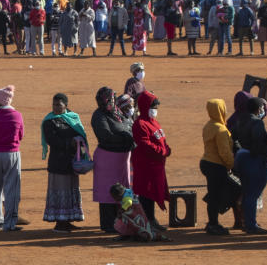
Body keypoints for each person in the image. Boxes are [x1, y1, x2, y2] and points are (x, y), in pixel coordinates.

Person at [42, 92, 87, 233]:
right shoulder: (49, 121)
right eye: (54, 105)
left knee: (70, 191)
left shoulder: (72, 118)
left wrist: (79, 142)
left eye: (59, 105)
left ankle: (67, 221)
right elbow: (52, 141)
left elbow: (81, 134)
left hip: (72, 162)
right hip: (58, 163)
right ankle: (60, 223)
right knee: (61, 192)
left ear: (66, 106)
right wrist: (71, 142)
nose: (55, 108)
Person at [91, 87, 135, 233]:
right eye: (105, 100)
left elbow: (128, 126)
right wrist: (126, 139)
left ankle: (121, 221)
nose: (107, 102)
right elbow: (105, 136)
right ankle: (108, 224)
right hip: (107, 158)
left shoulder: (118, 112)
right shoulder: (99, 116)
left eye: (109, 99)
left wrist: (129, 138)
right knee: (106, 191)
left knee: (122, 190)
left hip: (122, 159)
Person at [0, 85, 24, 232]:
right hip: (11, 153)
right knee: (12, 190)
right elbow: (20, 135)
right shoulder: (17, 115)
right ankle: (10, 223)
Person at [131, 91, 171, 231]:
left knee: (153, 193)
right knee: (146, 194)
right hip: (145, 165)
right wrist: (163, 151)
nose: (155, 110)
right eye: (153, 107)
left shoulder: (154, 122)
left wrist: (166, 148)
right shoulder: (140, 124)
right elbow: (145, 144)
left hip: (156, 165)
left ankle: (152, 219)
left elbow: (161, 139)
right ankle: (148, 220)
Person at [200, 99, 240, 235]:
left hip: (206, 162)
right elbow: (224, 152)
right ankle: (213, 223)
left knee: (214, 193)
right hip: (216, 165)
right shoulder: (221, 129)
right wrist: (231, 165)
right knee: (216, 195)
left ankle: (212, 221)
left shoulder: (208, 125)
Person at [233, 97, 267, 234]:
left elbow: (234, 137)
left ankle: (247, 222)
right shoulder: (257, 123)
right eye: (262, 108)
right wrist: (264, 155)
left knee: (247, 193)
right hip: (255, 160)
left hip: (243, 158)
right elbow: (258, 142)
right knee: (253, 194)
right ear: (258, 109)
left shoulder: (241, 120)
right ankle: (251, 224)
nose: (263, 110)